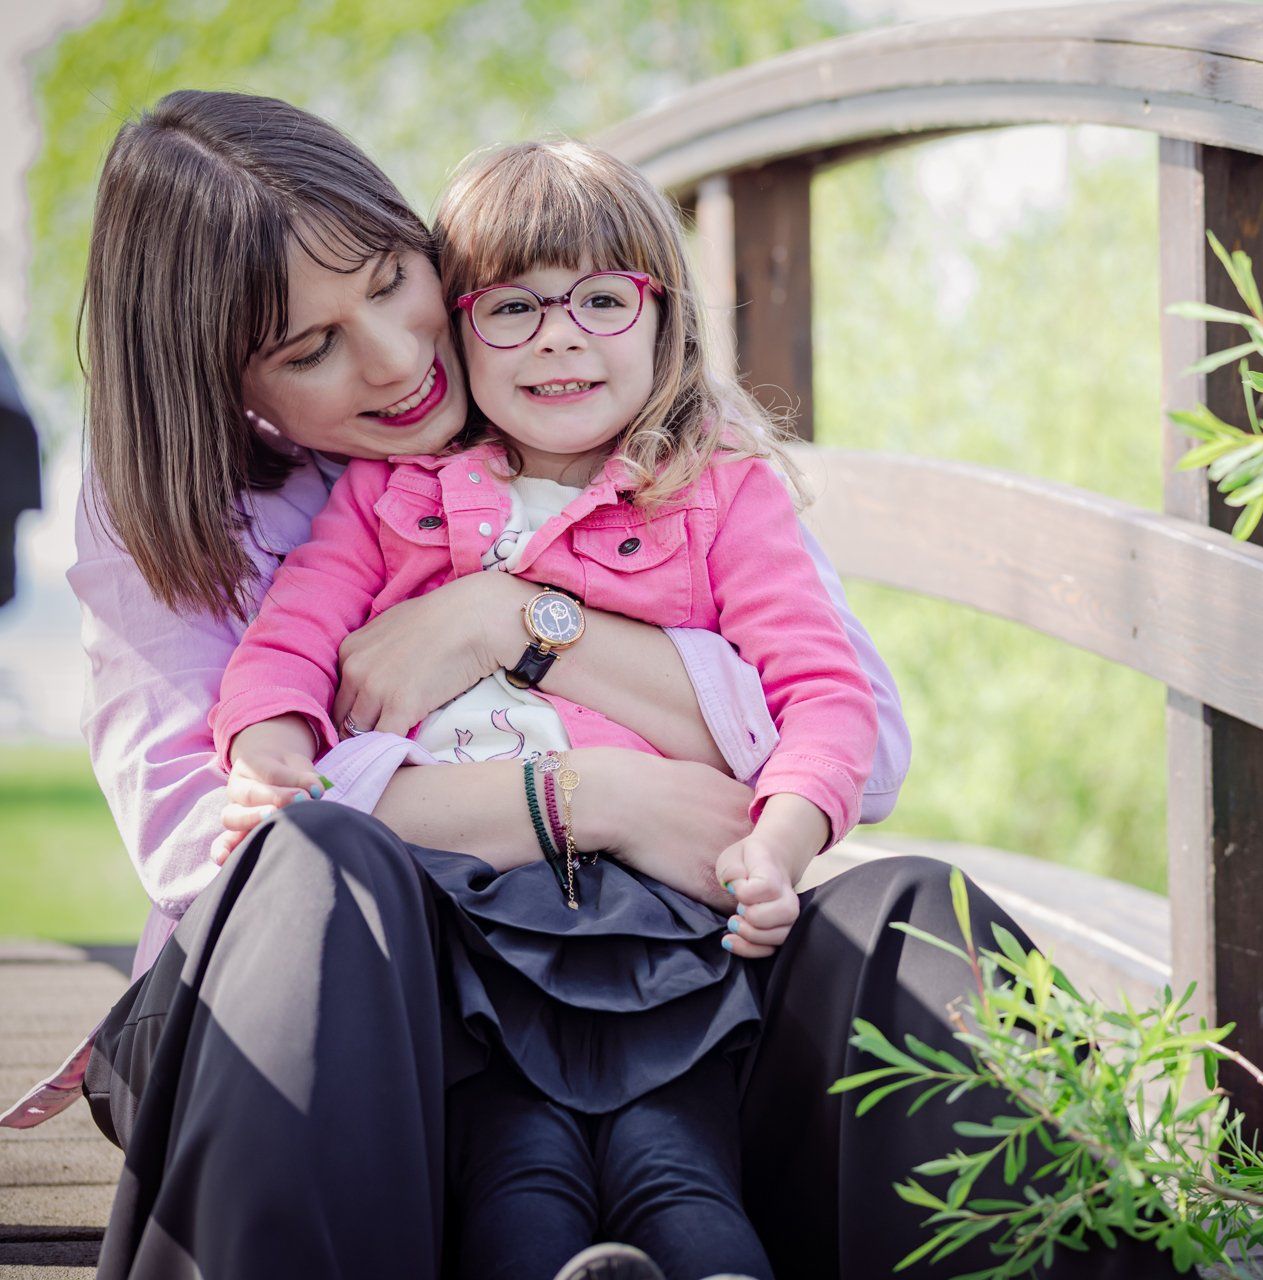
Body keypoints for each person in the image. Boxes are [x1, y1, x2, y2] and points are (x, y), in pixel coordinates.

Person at [2, 89, 1179, 1279]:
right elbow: (215, 835)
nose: (402, 359)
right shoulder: (171, 503)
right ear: (224, 377)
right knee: (322, 872)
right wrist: (588, 796)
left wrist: (513, 621)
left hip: (655, 959)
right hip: (347, 1023)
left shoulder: (630, 406)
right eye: (311, 347)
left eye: (393, 281)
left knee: (913, 917)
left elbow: (851, 742)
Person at [210, 135, 884, 1280]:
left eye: (602, 299)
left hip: (662, 916)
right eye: (512, 307)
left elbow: (824, 690)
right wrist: (269, 757)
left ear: (665, 317)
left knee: (674, 1151)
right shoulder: (392, 496)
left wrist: (780, 837)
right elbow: (291, 641)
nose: (561, 334)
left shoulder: (716, 489)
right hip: (461, 910)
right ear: (460, 331)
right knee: (513, 1157)